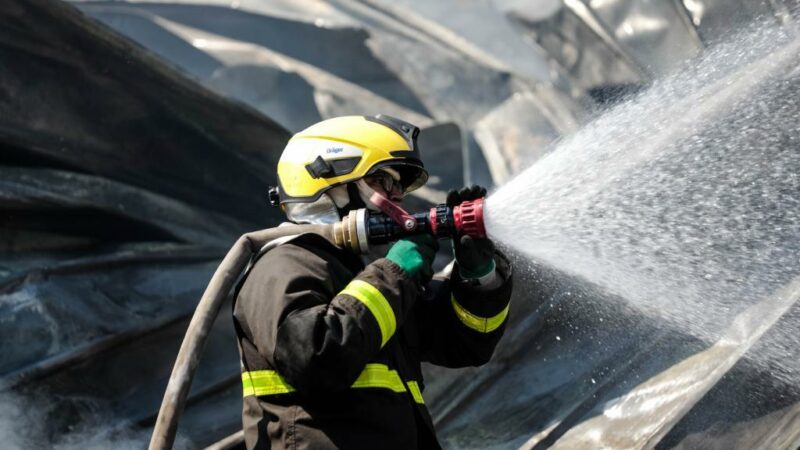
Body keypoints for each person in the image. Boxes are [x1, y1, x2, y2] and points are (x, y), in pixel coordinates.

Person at [233, 114, 513, 450]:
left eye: (400, 186)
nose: (398, 196)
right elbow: (316, 358)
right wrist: (396, 272)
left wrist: (478, 274)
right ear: (331, 184)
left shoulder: (362, 275)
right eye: (382, 180)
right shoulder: (283, 264)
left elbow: (467, 343)